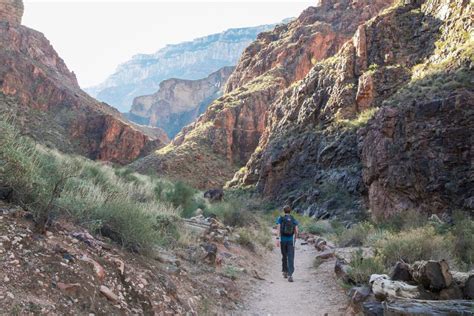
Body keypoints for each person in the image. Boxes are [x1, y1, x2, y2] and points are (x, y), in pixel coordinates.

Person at [276, 205, 299, 282]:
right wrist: (295, 238)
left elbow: (278, 229)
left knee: (284, 255)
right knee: (290, 256)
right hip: (290, 241)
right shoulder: (293, 219)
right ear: (290, 211)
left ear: (284, 211)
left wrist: (277, 238)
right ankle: (290, 275)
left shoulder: (280, 218)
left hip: (283, 240)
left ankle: (285, 271)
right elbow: (296, 230)